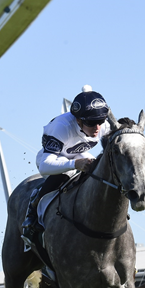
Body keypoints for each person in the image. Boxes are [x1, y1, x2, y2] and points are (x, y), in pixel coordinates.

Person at [21, 86, 112, 247]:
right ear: (78, 120)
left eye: (100, 121)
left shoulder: (102, 125)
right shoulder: (62, 127)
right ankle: (34, 208)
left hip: (78, 155)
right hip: (52, 160)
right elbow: (44, 166)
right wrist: (74, 164)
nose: (97, 128)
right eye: (92, 123)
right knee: (64, 176)